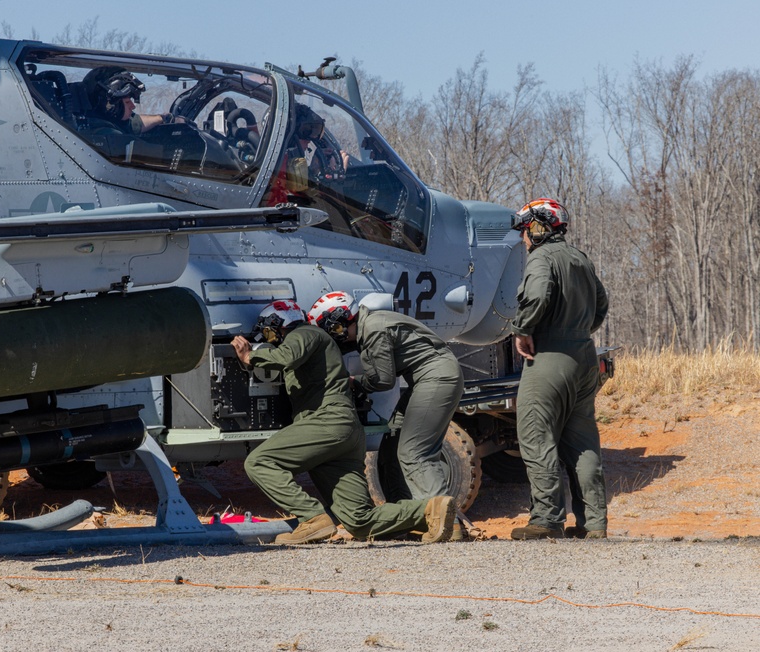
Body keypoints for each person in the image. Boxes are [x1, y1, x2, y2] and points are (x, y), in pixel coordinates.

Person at [231, 300, 455, 545]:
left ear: (278, 324)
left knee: (259, 462)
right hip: (340, 435)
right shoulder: (311, 339)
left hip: (327, 422)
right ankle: (429, 511)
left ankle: (312, 518)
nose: (270, 338)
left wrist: (251, 355)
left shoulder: (303, 332)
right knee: (360, 521)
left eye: (268, 331)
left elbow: (286, 356)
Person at [508, 198, 610, 540]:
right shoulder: (580, 258)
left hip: (549, 356)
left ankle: (546, 520)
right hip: (584, 356)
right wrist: (577, 333)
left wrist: (523, 329)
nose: (524, 239)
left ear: (538, 228)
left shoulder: (542, 258)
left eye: (525, 231)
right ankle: (593, 524)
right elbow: (601, 306)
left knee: (537, 435)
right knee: (582, 443)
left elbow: (536, 296)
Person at [308, 292, 465, 508]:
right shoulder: (369, 325)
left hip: (437, 377)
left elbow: (382, 380)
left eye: (332, 330)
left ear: (339, 322)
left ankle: (447, 520)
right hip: (428, 378)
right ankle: (404, 513)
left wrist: (354, 382)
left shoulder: (373, 329)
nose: (335, 336)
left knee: (415, 451)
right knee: (392, 444)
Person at [81, 67, 181, 137]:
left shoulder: (104, 121)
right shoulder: (107, 134)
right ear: (111, 106)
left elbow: (134, 123)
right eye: (128, 102)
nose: (133, 106)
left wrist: (163, 118)